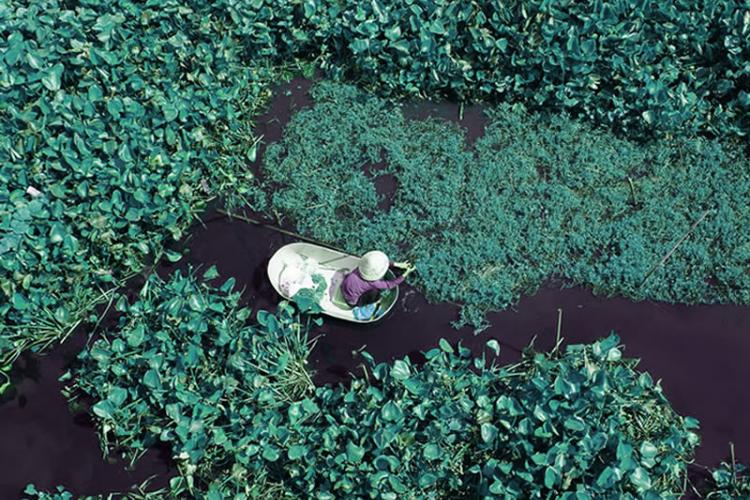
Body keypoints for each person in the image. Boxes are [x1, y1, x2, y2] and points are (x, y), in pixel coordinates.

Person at [340, 250, 415, 308]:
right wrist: (406, 273)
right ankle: (365, 304)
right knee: (375, 293)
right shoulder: (374, 283)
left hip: (343, 288)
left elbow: (376, 265)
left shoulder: (359, 268)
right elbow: (390, 284)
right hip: (352, 302)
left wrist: (398, 264)